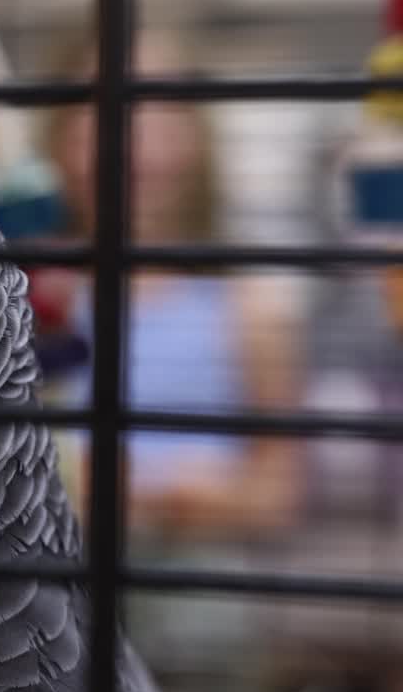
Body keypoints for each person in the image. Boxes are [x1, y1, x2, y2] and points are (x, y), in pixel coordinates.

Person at [33, 27, 307, 536]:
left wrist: (209, 498)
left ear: (197, 139)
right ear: (59, 138)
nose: (134, 135)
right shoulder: (24, 300)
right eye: (102, 107)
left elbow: (279, 493)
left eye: (160, 108)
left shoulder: (247, 308)